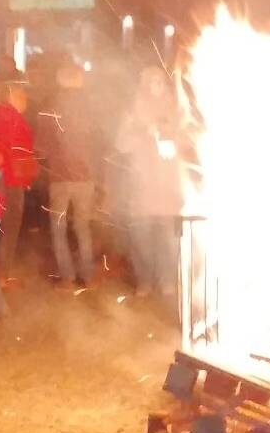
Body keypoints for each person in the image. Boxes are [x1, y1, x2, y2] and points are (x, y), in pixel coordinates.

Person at [115, 67, 184, 300]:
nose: (156, 85)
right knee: (140, 241)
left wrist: (173, 141)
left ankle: (167, 281)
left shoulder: (176, 110)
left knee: (170, 243)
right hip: (141, 189)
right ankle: (144, 281)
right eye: (151, 81)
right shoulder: (133, 111)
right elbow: (121, 144)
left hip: (168, 190)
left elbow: (188, 143)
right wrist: (144, 132)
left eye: (160, 81)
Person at [36, 60, 101, 287]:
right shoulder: (93, 106)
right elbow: (100, 140)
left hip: (60, 175)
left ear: (59, 80)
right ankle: (88, 274)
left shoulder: (51, 105)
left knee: (59, 227)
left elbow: (41, 145)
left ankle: (68, 276)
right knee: (83, 227)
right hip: (86, 176)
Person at [0, 80, 37, 272]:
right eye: (23, 97)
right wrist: (28, 178)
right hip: (12, 178)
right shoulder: (14, 119)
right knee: (11, 225)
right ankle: (2, 271)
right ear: (12, 97)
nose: (26, 102)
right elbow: (20, 152)